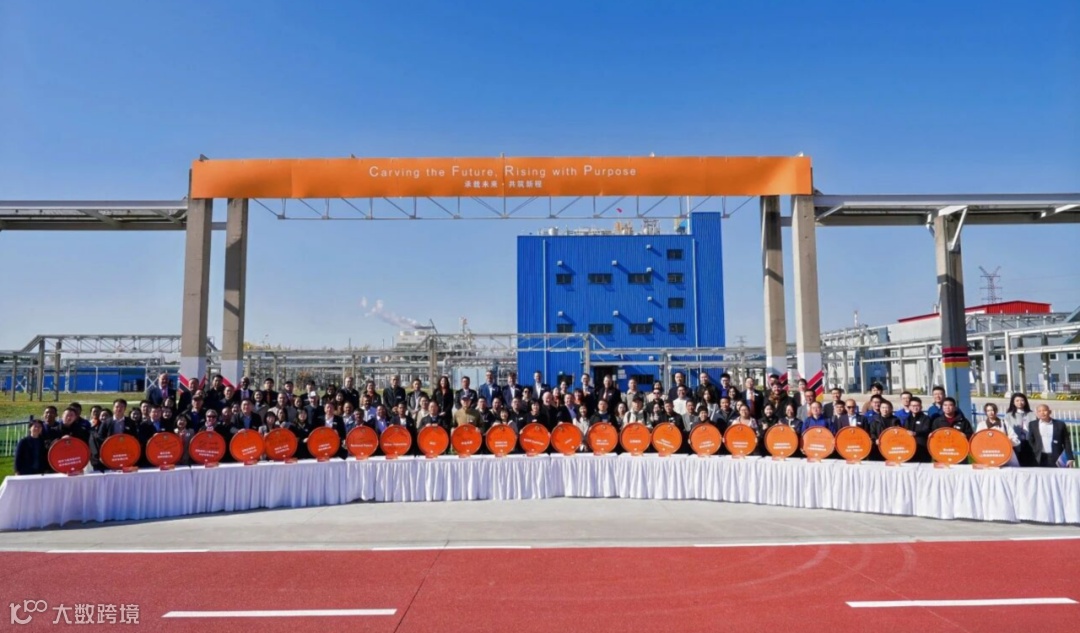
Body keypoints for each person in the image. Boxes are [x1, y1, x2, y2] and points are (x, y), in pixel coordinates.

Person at [1004, 392, 1038, 466]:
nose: (1020, 402)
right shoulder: (1008, 415)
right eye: (1017, 401)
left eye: (1022, 400)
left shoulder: (1032, 414)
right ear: (1013, 402)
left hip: (1030, 442)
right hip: (1016, 443)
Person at [906, 396, 934, 462]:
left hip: (923, 448)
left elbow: (926, 430)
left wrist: (915, 433)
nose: (915, 407)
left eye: (917, 405)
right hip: (910, 449)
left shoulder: (926, 418)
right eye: (913, 406)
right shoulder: (907, 419)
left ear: (921, 407)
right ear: (909, 407)